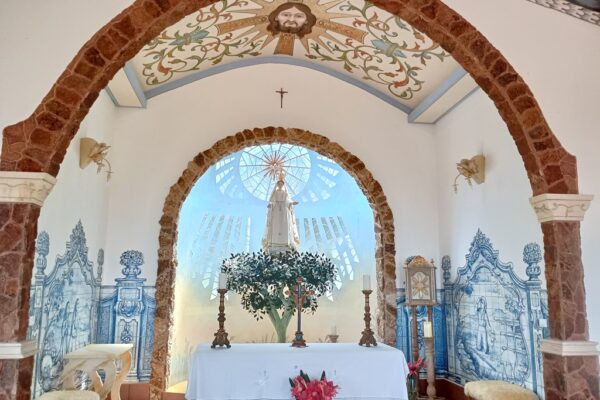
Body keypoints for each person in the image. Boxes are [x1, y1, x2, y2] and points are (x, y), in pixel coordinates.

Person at [262, 171, 301, 253]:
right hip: (276, 210)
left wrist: (292, 203)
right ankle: (274, 243)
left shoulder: (285, 193)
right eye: (279, 183)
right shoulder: (275, 192)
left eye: (281, 183)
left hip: (284, 210)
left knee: (284, 224)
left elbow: (288, 201)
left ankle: (285, 242)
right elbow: (272, 201)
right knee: (275, 224)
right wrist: (270, 204)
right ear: (277, 184)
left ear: (283, 185)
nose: (280, 185)